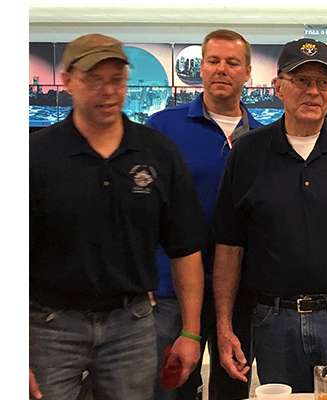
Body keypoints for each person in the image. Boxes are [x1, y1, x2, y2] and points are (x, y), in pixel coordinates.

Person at [212, 38, 327, 393]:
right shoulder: (248, 153)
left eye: (323, 82)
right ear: (279, 87)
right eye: (302, 81)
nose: (313, 92)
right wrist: (224, 326)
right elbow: (229, 246)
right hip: (273, 321)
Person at [29, 33, 206, 400]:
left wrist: (190, 331)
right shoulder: (37, 155)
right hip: (49, 327)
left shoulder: (158, 152)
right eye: (94, 80)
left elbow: (185, 248)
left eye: (116, 80)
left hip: (132, 325)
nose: (108, 91)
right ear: (68, 81)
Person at [147, 29, 262, 400]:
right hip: (171, 290)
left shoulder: (264, 138)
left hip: (242, 288)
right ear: (202, 68)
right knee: (171, 387)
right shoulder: (165, 127)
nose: (221, 70)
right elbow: (143, 210)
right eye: (213, 61)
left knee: (232, 388)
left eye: (232, 63)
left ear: (247, 72)